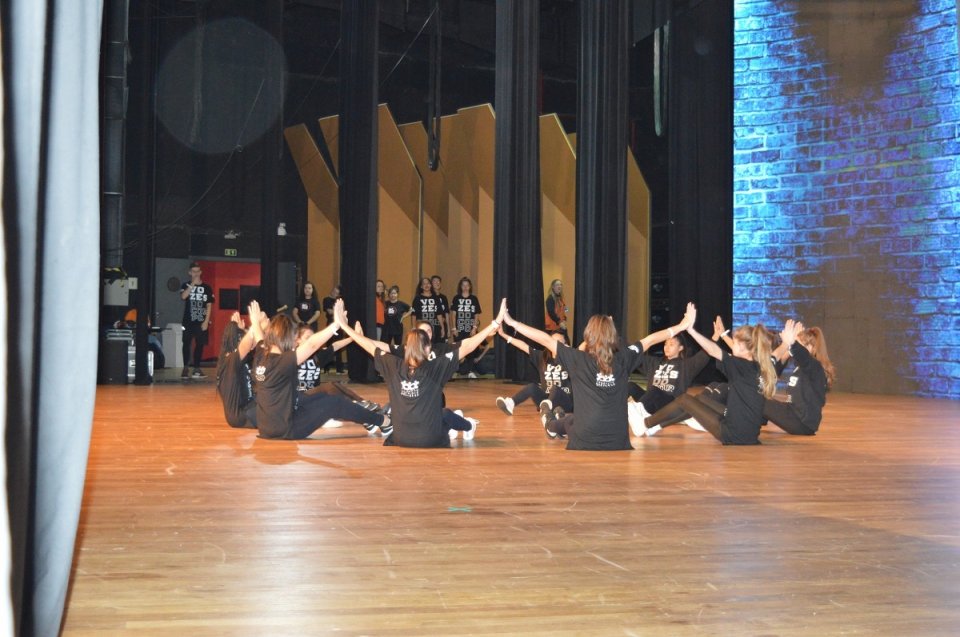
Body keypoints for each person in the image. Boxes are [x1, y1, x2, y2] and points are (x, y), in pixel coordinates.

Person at [501, 301, 694, 450]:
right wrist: (682, 325)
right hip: (617, 440)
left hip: (584, 437)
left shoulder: (577, 358)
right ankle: (553, 423)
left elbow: (544, 339)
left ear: (588, 335)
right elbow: (650, 340)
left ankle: (550, 425)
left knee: (570, 421)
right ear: (613, 336)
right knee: (572, 420)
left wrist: (511, 322)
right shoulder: (624, 357)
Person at [334, 300, 507, 448]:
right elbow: (468, 347)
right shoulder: (434, 368)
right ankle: (467, 425)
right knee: (445, 414)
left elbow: (371, 347)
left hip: (401, 438)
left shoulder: (393, 365)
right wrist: (494, 324)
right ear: (427, 348)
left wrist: (344, 327)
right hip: (430, 438)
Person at [247, 299, 390, 440]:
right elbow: (311, 345)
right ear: (284, 338)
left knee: (324, 397)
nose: (293, 341)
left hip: (266, 426)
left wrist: (255, 322)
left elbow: (259, 337)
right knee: (335, 404)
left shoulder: (261, 355)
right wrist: (336, 324)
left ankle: (366, 418)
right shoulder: (282, 361)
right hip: (285, 429)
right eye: (292, 337)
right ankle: (384, 422)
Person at [642, 305, 778, 445]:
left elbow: (713, 350)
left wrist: (691, 330)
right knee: (700, 398)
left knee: (684, 399)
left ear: (744, 348)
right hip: (748, 434)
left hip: (733, 434)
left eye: (736, 343)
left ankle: (645, 424)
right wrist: (723, 335)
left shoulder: (741, 366)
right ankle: (657, 426)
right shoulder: (759, 365)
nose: (732, 346)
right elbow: (736, 351)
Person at [626, 320, 726, 435]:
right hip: (649, 400)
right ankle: (622, 413)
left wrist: (716, 336)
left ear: (680, 348)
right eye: (665, 344)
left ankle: (640, 417)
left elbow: (706, 353)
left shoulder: (686, 366)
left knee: (657, 390)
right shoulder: (655, 363)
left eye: (672, 344)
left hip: (668, 405)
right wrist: (613, 338)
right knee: (629, 386)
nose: (667, 347)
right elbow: (633, 353)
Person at [763, 320, 835, 436]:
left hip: (802, 422)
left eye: (802, 344)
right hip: (793, 414)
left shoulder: (815, 367)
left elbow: (803, 356)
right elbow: (777, 367)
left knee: (756, 398)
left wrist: (792, 343)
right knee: (760, 397)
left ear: (811, 347)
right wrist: (790, 344)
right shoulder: (801, 367)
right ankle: (757, 421)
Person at [495, 329, 572, 420]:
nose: (555, 344)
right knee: (532, 387)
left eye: (559, 342)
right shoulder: (542, 357)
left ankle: (548, 410)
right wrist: (503, 334)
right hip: (546, 400)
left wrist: (570, 351)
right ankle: (510, 404)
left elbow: (583, 351)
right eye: (553, 341)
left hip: (565, 400)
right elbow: (523, 346)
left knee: (555, 388)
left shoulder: (572, 359)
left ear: (566, 344)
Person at [215, 312, 257, 429]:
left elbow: (252, 345)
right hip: (242, 415)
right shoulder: (231, 359)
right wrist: (256, 324)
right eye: (241, 337)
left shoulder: (233, 358)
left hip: (248, 408)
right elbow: (248, 344)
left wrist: (243, 330)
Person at [179, 262, 214, 378]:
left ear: (201, 272)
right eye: (193, 271)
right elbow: (183, 296)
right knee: (186, 344)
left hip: (201, 321)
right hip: (188, 321)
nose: (196, 273)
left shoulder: (207, 288)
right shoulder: (185, 285)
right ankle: (185, 368)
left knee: (200, 344)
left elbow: (209, 305)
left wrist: (206, 321)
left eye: (198, 271)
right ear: (190, 272)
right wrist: (192, 284)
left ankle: (197, 368)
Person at [450, 277, 482, 378]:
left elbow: (476, 314)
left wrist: (474, 328)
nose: (465, 287)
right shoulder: (456, 298)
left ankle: (470, 371)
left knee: (471, 350)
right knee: (458, 349)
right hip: (459, 329)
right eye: (463, 285)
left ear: (470, 286)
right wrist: (454, 328)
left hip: (470, 329)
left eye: (467, 285)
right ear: (460, 287)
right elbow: (453, 315)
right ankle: (455, 370)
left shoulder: (474, 299)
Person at [321, 285, 345, 374]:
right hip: (330, 324)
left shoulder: (339, 300)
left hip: (339, 325)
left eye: (337, 292)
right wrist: (337, 310)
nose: (334, 293)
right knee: (329, 346)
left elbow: (343, 312)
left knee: (339, 346)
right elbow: (329, 311)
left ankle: (339, 368)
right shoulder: (326, 300)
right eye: (334, 291)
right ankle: (326, 367)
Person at [412, 277, 443, 344]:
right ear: (421, 286)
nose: (426, 285)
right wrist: (414, 327)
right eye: (424, 284)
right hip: (422, 327)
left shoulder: (436, 298)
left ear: (431, 285)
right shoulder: (417, 298)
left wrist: (442, 328)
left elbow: (439, 314)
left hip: (435, 327)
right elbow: (414, 315)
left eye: (428, 283)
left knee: (435, 346)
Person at [431, 275, 450, 343]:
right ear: (431, 284)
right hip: (432, 326)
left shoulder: (443, 297)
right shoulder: (429, 297)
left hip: (442, 327)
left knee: (442, 347)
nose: (437, 283)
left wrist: (448, 328)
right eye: (435, 281)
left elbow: (446, 313)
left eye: (438, 281)